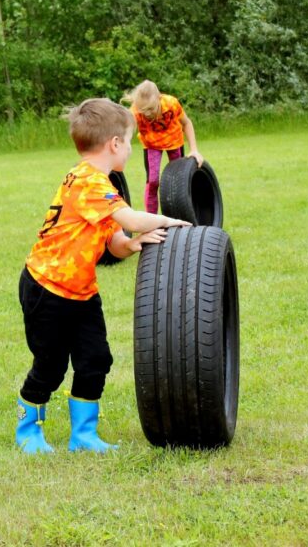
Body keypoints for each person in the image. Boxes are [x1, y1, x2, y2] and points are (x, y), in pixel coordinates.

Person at [15, 98, 190, 454]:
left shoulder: (102, 186)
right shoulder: (87, 181)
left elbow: (114, 242)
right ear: (114, 143)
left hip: (81, 291)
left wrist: (133, 244)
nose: (131, 149)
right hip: (47, 287)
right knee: (50, 365)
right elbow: (132, 219)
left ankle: (83, 435)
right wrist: (168, 219)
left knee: (95, 359)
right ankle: (27, 430)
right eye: (129, 142)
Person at [123, 79, 203, 214]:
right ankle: (151, 218)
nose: (147, 114)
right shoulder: (135, 111)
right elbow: (126, 133)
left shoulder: (171, 103)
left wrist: (194, 150)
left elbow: (186, 123)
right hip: (151, 144)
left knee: (179, 180)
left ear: (159, 98)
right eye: (144, 110)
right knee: (153, 181)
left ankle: (182, 215)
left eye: (151, 109)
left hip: (174, 141)